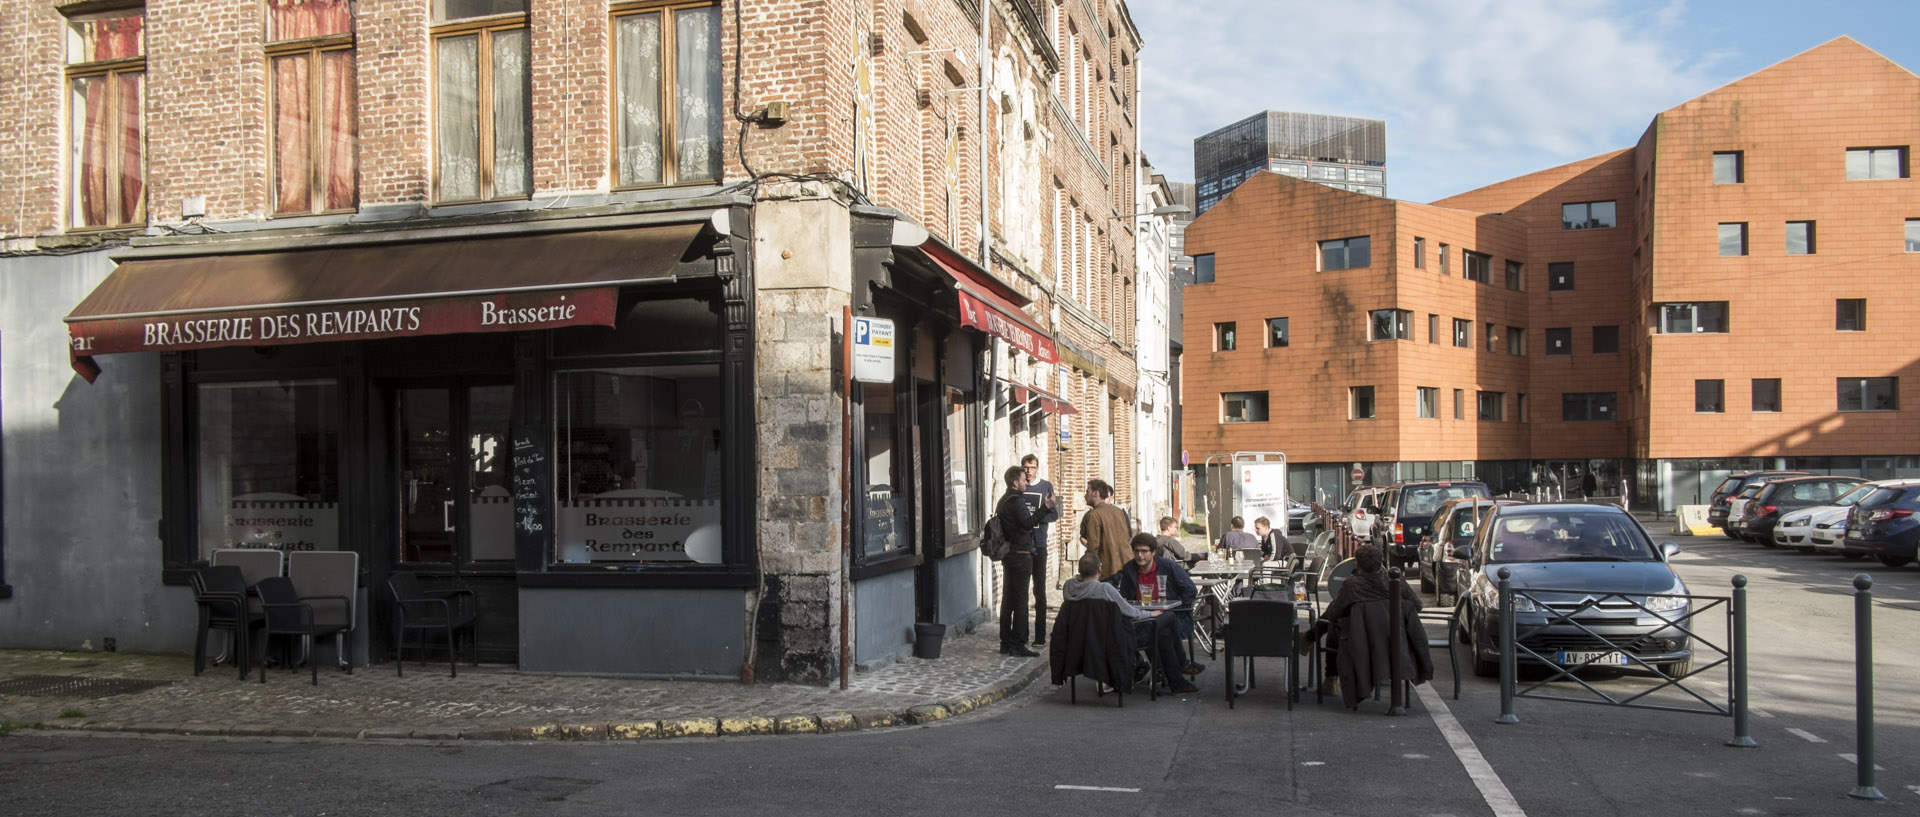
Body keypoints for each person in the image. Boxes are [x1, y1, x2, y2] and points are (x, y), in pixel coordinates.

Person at [1062, 552, 1198, 695]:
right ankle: (1180, 666)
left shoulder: (1069, 587)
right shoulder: (1104, 589)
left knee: (1162, 631)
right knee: (1167, 618)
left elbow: (1080, 583)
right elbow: (1129, 611)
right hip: (1113, 640)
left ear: (1079, 571)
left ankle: (1169, 677)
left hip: (1083, 639)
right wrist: (1150, 614)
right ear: (1100, 570)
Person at [1112, 532, 1204, 678]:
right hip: (1141, 617)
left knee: (1162, 624)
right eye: (1136, 551)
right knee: (1133, 628)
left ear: (1153, 552)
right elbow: (1124, 597)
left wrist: (1174, 606)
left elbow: (1190, 590)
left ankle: (1163, 669)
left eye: (1144, 551)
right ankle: (1175, 667)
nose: (1140, 555)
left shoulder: (1168, 566)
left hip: (1171, 614)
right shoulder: (1129, 569)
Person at [994, 466, 1045, 657]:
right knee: (1021, 601)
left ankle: (1005, 641)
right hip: (1021, 554)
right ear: (1016, 483)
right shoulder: (1017, 501)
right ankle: (1018, 643)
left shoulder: (1003, 500)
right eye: (1024, 480)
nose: (1027, 482)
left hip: (1009, 554)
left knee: (1008, 600)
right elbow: (1027, 523)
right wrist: (1045, 508)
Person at [1020, 454, 1061, 647]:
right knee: (1020, 591)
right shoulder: (1019, 487)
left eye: (1032, 467)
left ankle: (1040, 635)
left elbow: (1054, 514)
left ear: (1037, 468)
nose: (1029, 471)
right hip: (1021, 545)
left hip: (1039, 543)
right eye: (1026, 467)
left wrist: (1037, 516)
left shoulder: (1046, 486)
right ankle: (1021, 634)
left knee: (1040, 591)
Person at [1079, 479, 1131, 582]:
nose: (1085, 496)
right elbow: (1127, 536)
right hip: (1126, 564)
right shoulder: (1118, 511)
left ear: (1096, 493)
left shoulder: (1094, 515)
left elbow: (1093, 546)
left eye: (1087, 492)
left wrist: (1087, 568)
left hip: (1108, 570)